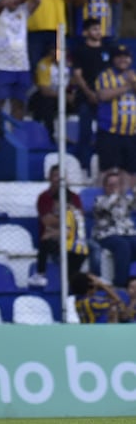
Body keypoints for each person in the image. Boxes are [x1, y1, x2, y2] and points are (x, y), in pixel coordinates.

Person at [0, 0, 40, 121]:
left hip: (21, 67)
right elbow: (2, 4)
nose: (16, 0)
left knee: (19, 104)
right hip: (0, 66)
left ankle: (16, 132)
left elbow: (38, 0)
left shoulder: (23, 11)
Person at [28, 164, 88, 288]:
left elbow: (78, 221)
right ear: (49, 178)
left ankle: (88, 278)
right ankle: (41, 274)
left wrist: (61, 225)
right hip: (55, 240)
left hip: (72, 238)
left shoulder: (74, 197)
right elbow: (47, 221)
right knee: (45, 241)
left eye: (62, 176)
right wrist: (69, 218)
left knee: (93, 248)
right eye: (55, 176)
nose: (59, 179)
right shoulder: (44, 197)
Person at [94, 45, 136, 187]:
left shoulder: (133, 76)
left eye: (126, 57)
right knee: (108, 170)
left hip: (131, 133)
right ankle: (103, 197)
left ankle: (129, 197)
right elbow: (103, 95)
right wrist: (127, 86)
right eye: (119, 57)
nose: (123, 60)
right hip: (110, 132)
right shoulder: (105, 76)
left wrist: (133, 83)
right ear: (113, 59)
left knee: (131, 171)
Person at [71, 18, 110, 171]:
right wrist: (89, 93)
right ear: (86, 32)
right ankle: (83, 167)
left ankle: (104, 168)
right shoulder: (80, 51)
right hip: (85, 98)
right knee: (85, 133)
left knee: (105, 134)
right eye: (94, 29)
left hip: (105, 98)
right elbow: (77, 75)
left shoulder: (107, 49)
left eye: (99, 29)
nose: (98, 32)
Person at [92, 171, 136, 288]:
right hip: (107, 235)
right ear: (105, 186)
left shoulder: (126, 199)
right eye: (110, 185)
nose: (113, 188)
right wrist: (116, 194)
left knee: (131, 243)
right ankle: (120, 284)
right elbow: (107, 206)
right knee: (123, 245)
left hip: (128, 233)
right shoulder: (99, 200)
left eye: (116, 184)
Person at [32, 44, 77, 142]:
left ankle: (73, 136)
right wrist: (65, 96)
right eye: (54, 50)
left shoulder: (71, 65)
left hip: (65, 94)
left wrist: (72, 94)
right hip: (48, 96)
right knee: (47, 102)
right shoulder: (44, 64)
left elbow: (74, 83)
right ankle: (51, 135)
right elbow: (44, 90)